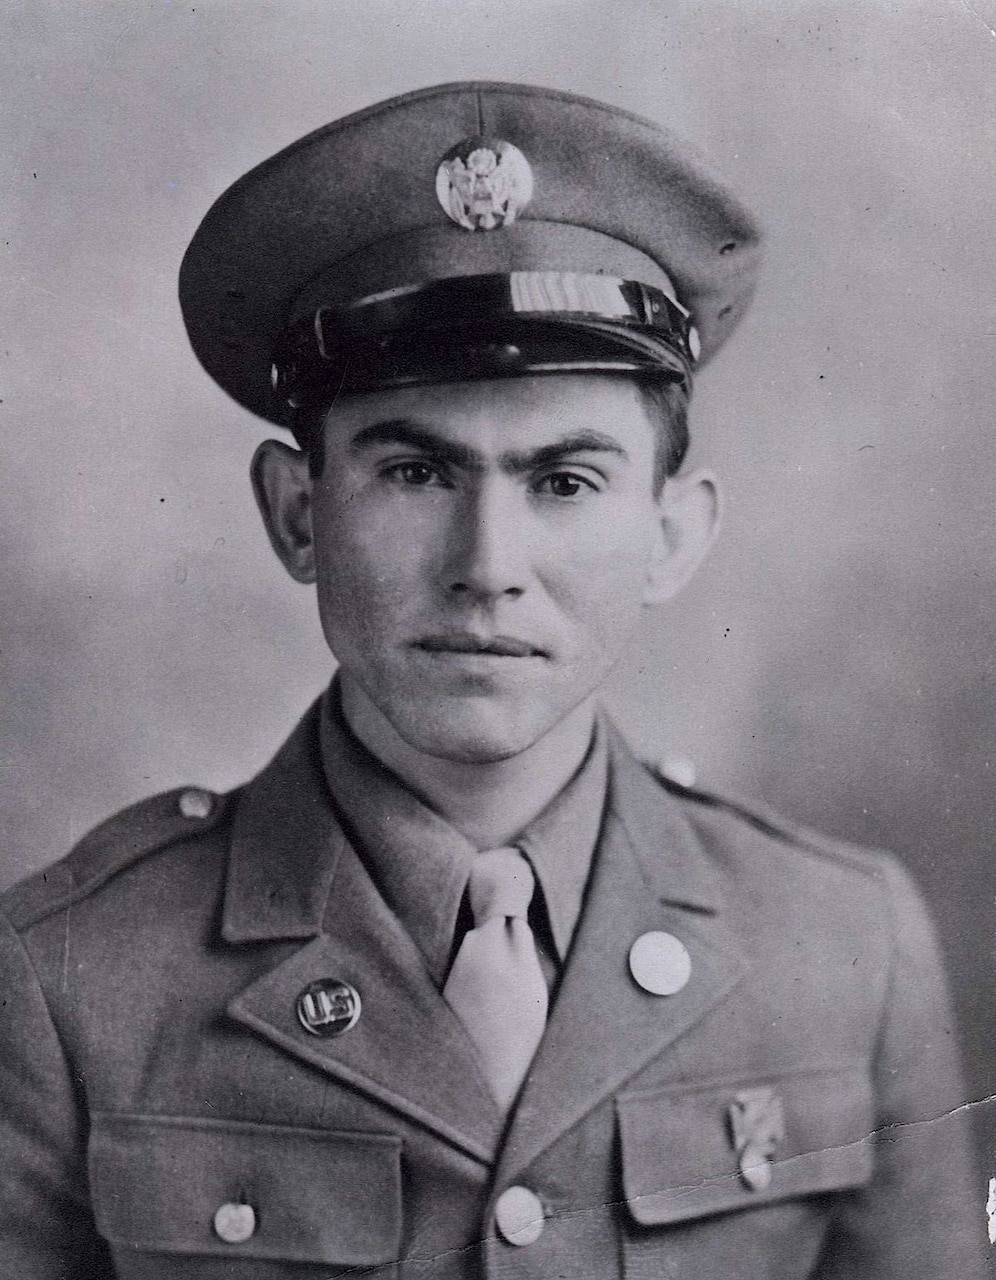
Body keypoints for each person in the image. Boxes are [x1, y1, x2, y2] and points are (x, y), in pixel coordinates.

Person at [0, 81, 983, 1279]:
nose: (486, 568)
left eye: (565, 481)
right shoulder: (73, 972)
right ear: (297, 512)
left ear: (675, 535)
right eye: (415, 473)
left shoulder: (843, 944)